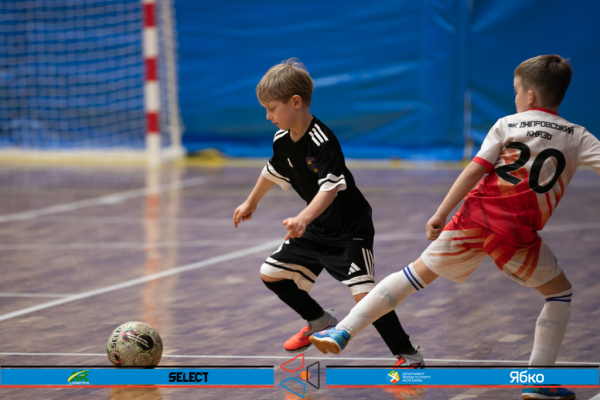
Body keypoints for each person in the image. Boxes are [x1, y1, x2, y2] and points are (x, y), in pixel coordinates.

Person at [311, 54, 600, 400]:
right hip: (516, 234)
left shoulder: (507, 124)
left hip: (474, 218)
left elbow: (474, 169)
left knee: (412, 276)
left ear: (530, 96)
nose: (515, 98)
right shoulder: (578, 136)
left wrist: (441, 213)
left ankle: (342, 330)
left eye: (516, 91)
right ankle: (538, 380)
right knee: (559, 294)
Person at [233, 58, 422, 366]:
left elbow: (329, 190)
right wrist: (251, 201)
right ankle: (319, 320)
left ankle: (408, 355)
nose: (268, 116)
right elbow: (273, 170)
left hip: (350, 230)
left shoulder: (323, 141)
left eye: (271, 108)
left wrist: (302, 218)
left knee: (365, 296)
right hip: (317, 227)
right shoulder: (282, 139)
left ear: (296, 102)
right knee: (272, 273)